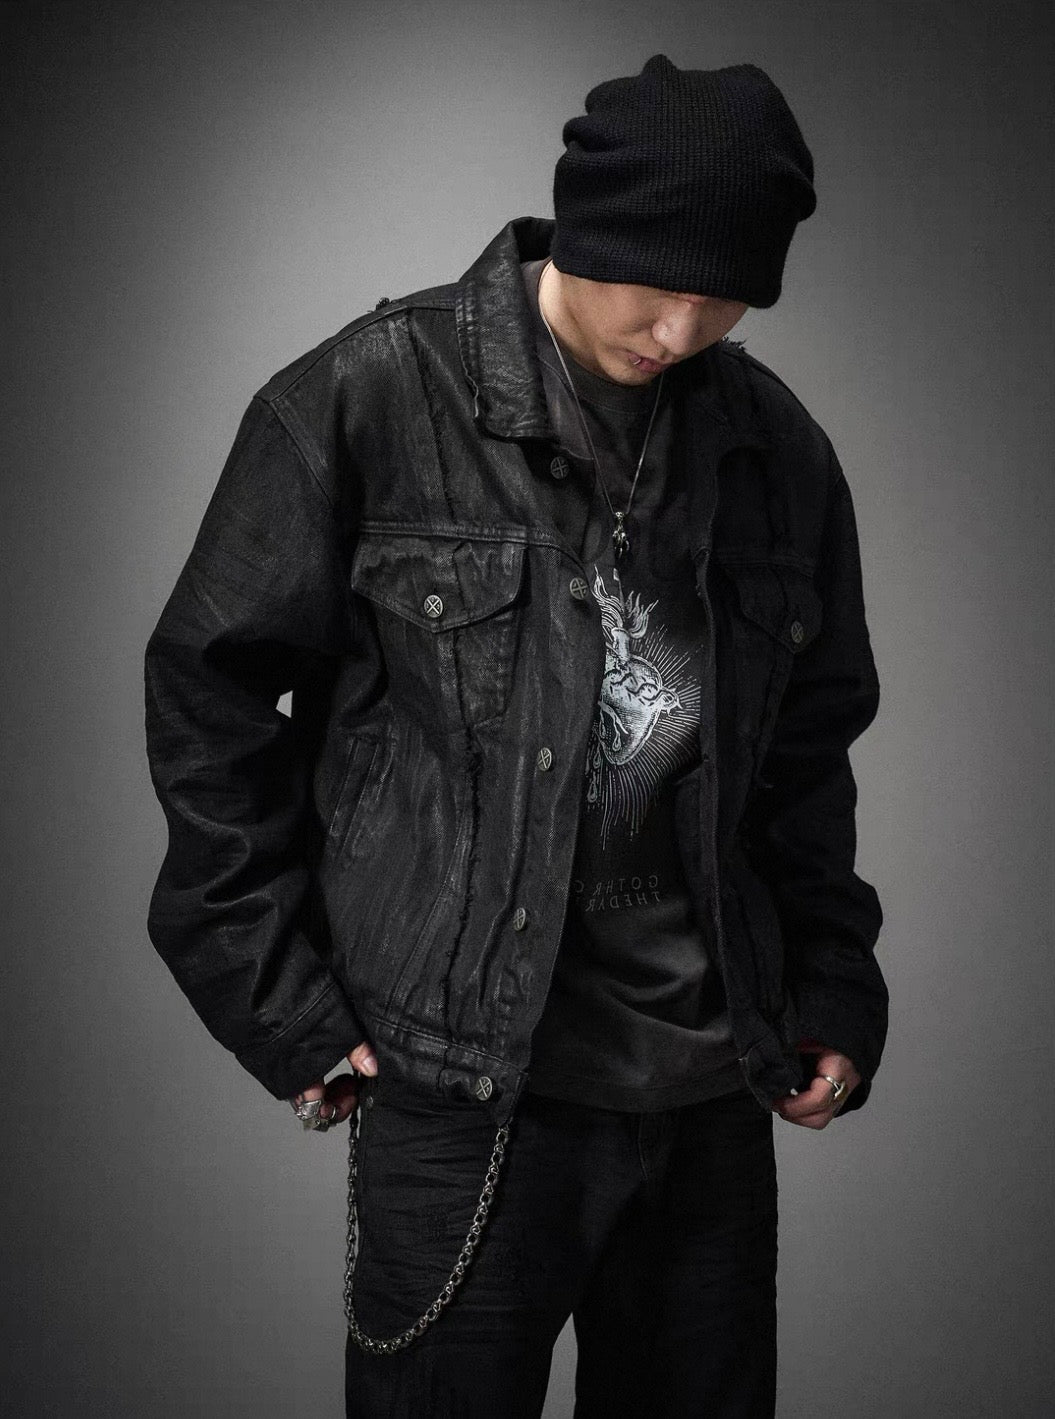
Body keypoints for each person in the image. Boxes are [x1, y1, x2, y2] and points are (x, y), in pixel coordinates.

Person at [144, 53, 888, 1419]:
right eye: (653, 284)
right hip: (466, 1092)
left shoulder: (776, 453)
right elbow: (210, 693)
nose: (680, 328)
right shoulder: (374, 397)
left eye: (725, 298)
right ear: (585, 229)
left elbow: (807, 755)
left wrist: (833, 987)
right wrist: (280, 1002)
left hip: (709, 1095)